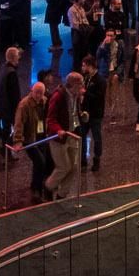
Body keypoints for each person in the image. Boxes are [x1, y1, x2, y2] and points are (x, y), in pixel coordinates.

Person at [44, 71, 83, 199]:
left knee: (74, 167)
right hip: (58, 138)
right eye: (80, 84)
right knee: (64, 166)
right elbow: (50, 118)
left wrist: (82, 115)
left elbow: (73, 112)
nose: (82, 87)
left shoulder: (75, 96)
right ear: (73, 84)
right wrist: (58, 130)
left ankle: (62, 194)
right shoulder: (57, 97)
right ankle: (48, 187)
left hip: (72, 134)